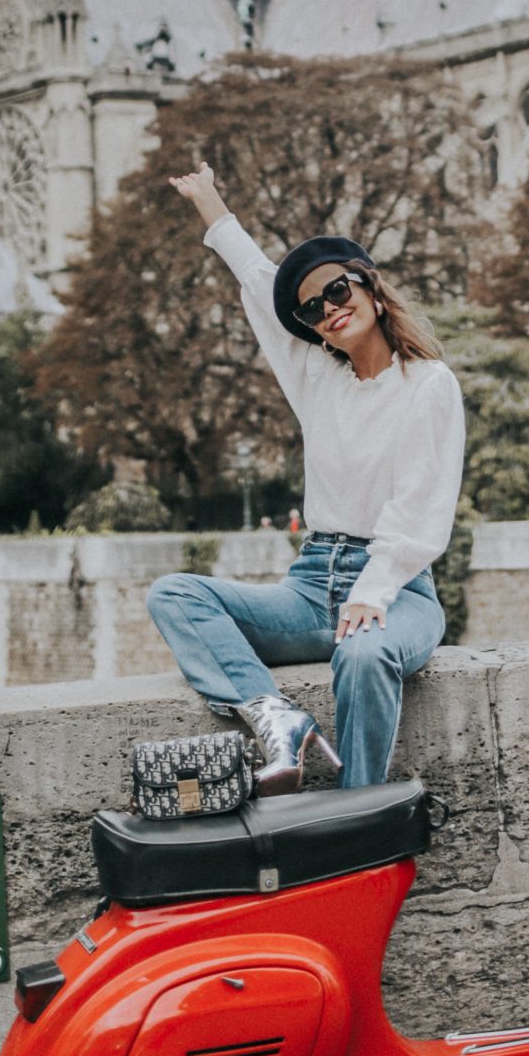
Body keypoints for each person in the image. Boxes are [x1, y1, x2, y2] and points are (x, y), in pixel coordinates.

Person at [146, 160, 464, 792]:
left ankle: (359, 809)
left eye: (338, 292)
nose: (328, 309)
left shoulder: (429, 385)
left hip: (398, 590)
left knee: (365, 651)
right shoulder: (317, 377)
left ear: (370, 288)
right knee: (174, 595)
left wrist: (371, 593)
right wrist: (210, 203)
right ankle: (277, 717)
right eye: (314, 309)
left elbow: (420, 507)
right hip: (310, 584)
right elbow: (262, 282)